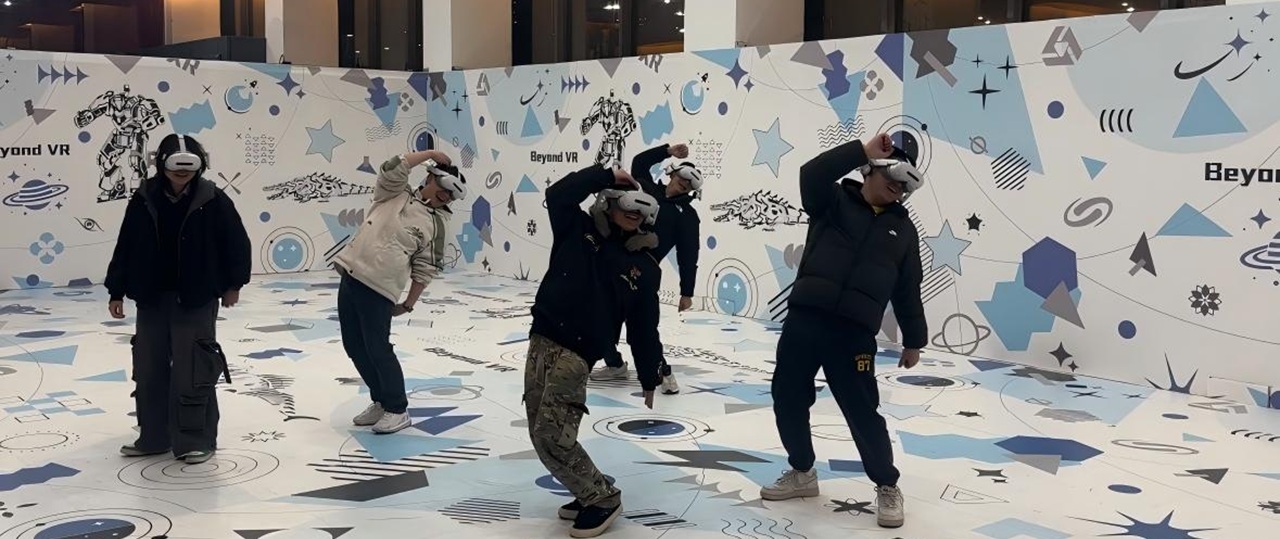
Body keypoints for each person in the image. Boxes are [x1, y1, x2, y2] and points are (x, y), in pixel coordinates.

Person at [761, 133, 927, 529]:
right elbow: (811, 173)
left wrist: (914, 340)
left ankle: (886, 484)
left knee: (862, 411)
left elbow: (908, 287)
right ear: (871, 170)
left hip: (854, 335)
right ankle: (802, 471)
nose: (898, 190)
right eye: (893, 179)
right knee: (788, 398)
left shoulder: (903, 231)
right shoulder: (831, 201)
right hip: (805, 321)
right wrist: (860, 150)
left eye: (905, 187)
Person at [526, 161, 664, 538]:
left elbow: (643, 327)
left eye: (641, 212)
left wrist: (649, 375)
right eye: (628, 206)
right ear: (610, 202)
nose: (634, 215)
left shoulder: (643, 266)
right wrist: (605, 174)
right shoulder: (576, 227)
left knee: (554, 434)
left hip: (579, 353)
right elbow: (557, 194)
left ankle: (602, 497)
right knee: (539, 431)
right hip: (542, 339)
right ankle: (586, 489)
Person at [105, 133, 251, 464]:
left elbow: (236, 242)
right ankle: (154, 436)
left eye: (188, 170)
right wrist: (116, 290)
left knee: (194, 368)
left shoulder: (213, 199)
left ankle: (196, 440)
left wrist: (233, 284)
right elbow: (126, 244)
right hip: (152, 298)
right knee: (148, 368)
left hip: (196, 298)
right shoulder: (144, 198)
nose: (181, 175)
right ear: (162, 166)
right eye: (175, 170)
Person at [335, 149, 466, 434]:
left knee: (377, 348)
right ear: (430, 177)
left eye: (452, 196)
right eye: (444, 188)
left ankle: (397, 408)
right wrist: (431, 153)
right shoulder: (394, 193)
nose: (446, 197)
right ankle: (381, 400)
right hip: (351, 276)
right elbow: (391, 167)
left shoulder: (436, 223)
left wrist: (408, 303)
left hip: (380, 289)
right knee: (354, 346)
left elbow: (426, 267)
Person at [591, 142, 702, 396]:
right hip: (613, 264)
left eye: (692, 183)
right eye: (684, 177)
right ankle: (614, 363)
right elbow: (640, 162)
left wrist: (687, 292)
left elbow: (689, 254)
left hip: (644, 273)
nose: (685, 184)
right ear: (672, 174)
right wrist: (668, 151)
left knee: (643, 328)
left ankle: (663, 371)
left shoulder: (687, 216)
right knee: (601, 317)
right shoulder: (647, 188)